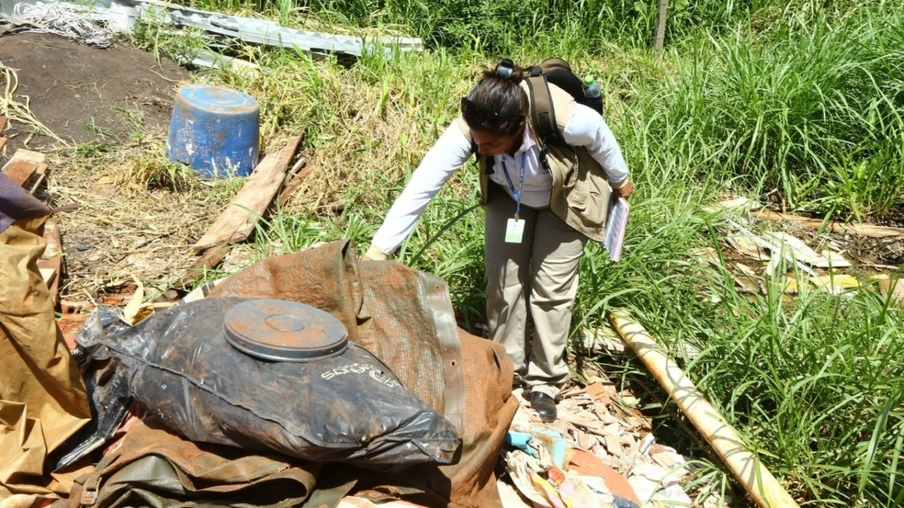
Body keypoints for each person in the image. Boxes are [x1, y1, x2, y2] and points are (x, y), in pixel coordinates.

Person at [364, 59, 632, 422]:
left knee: (551, 289)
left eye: (491, 143)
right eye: (477, 141)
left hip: (566, 196)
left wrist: (620, 180)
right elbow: (423, 186)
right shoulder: (472, 129)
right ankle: (508, 367)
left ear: (519, 126)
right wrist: (379, 251)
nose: (481, 147)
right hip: (512, 196)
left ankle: (546, 379)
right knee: (503, 283)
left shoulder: (566, 120)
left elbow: (600, 134)